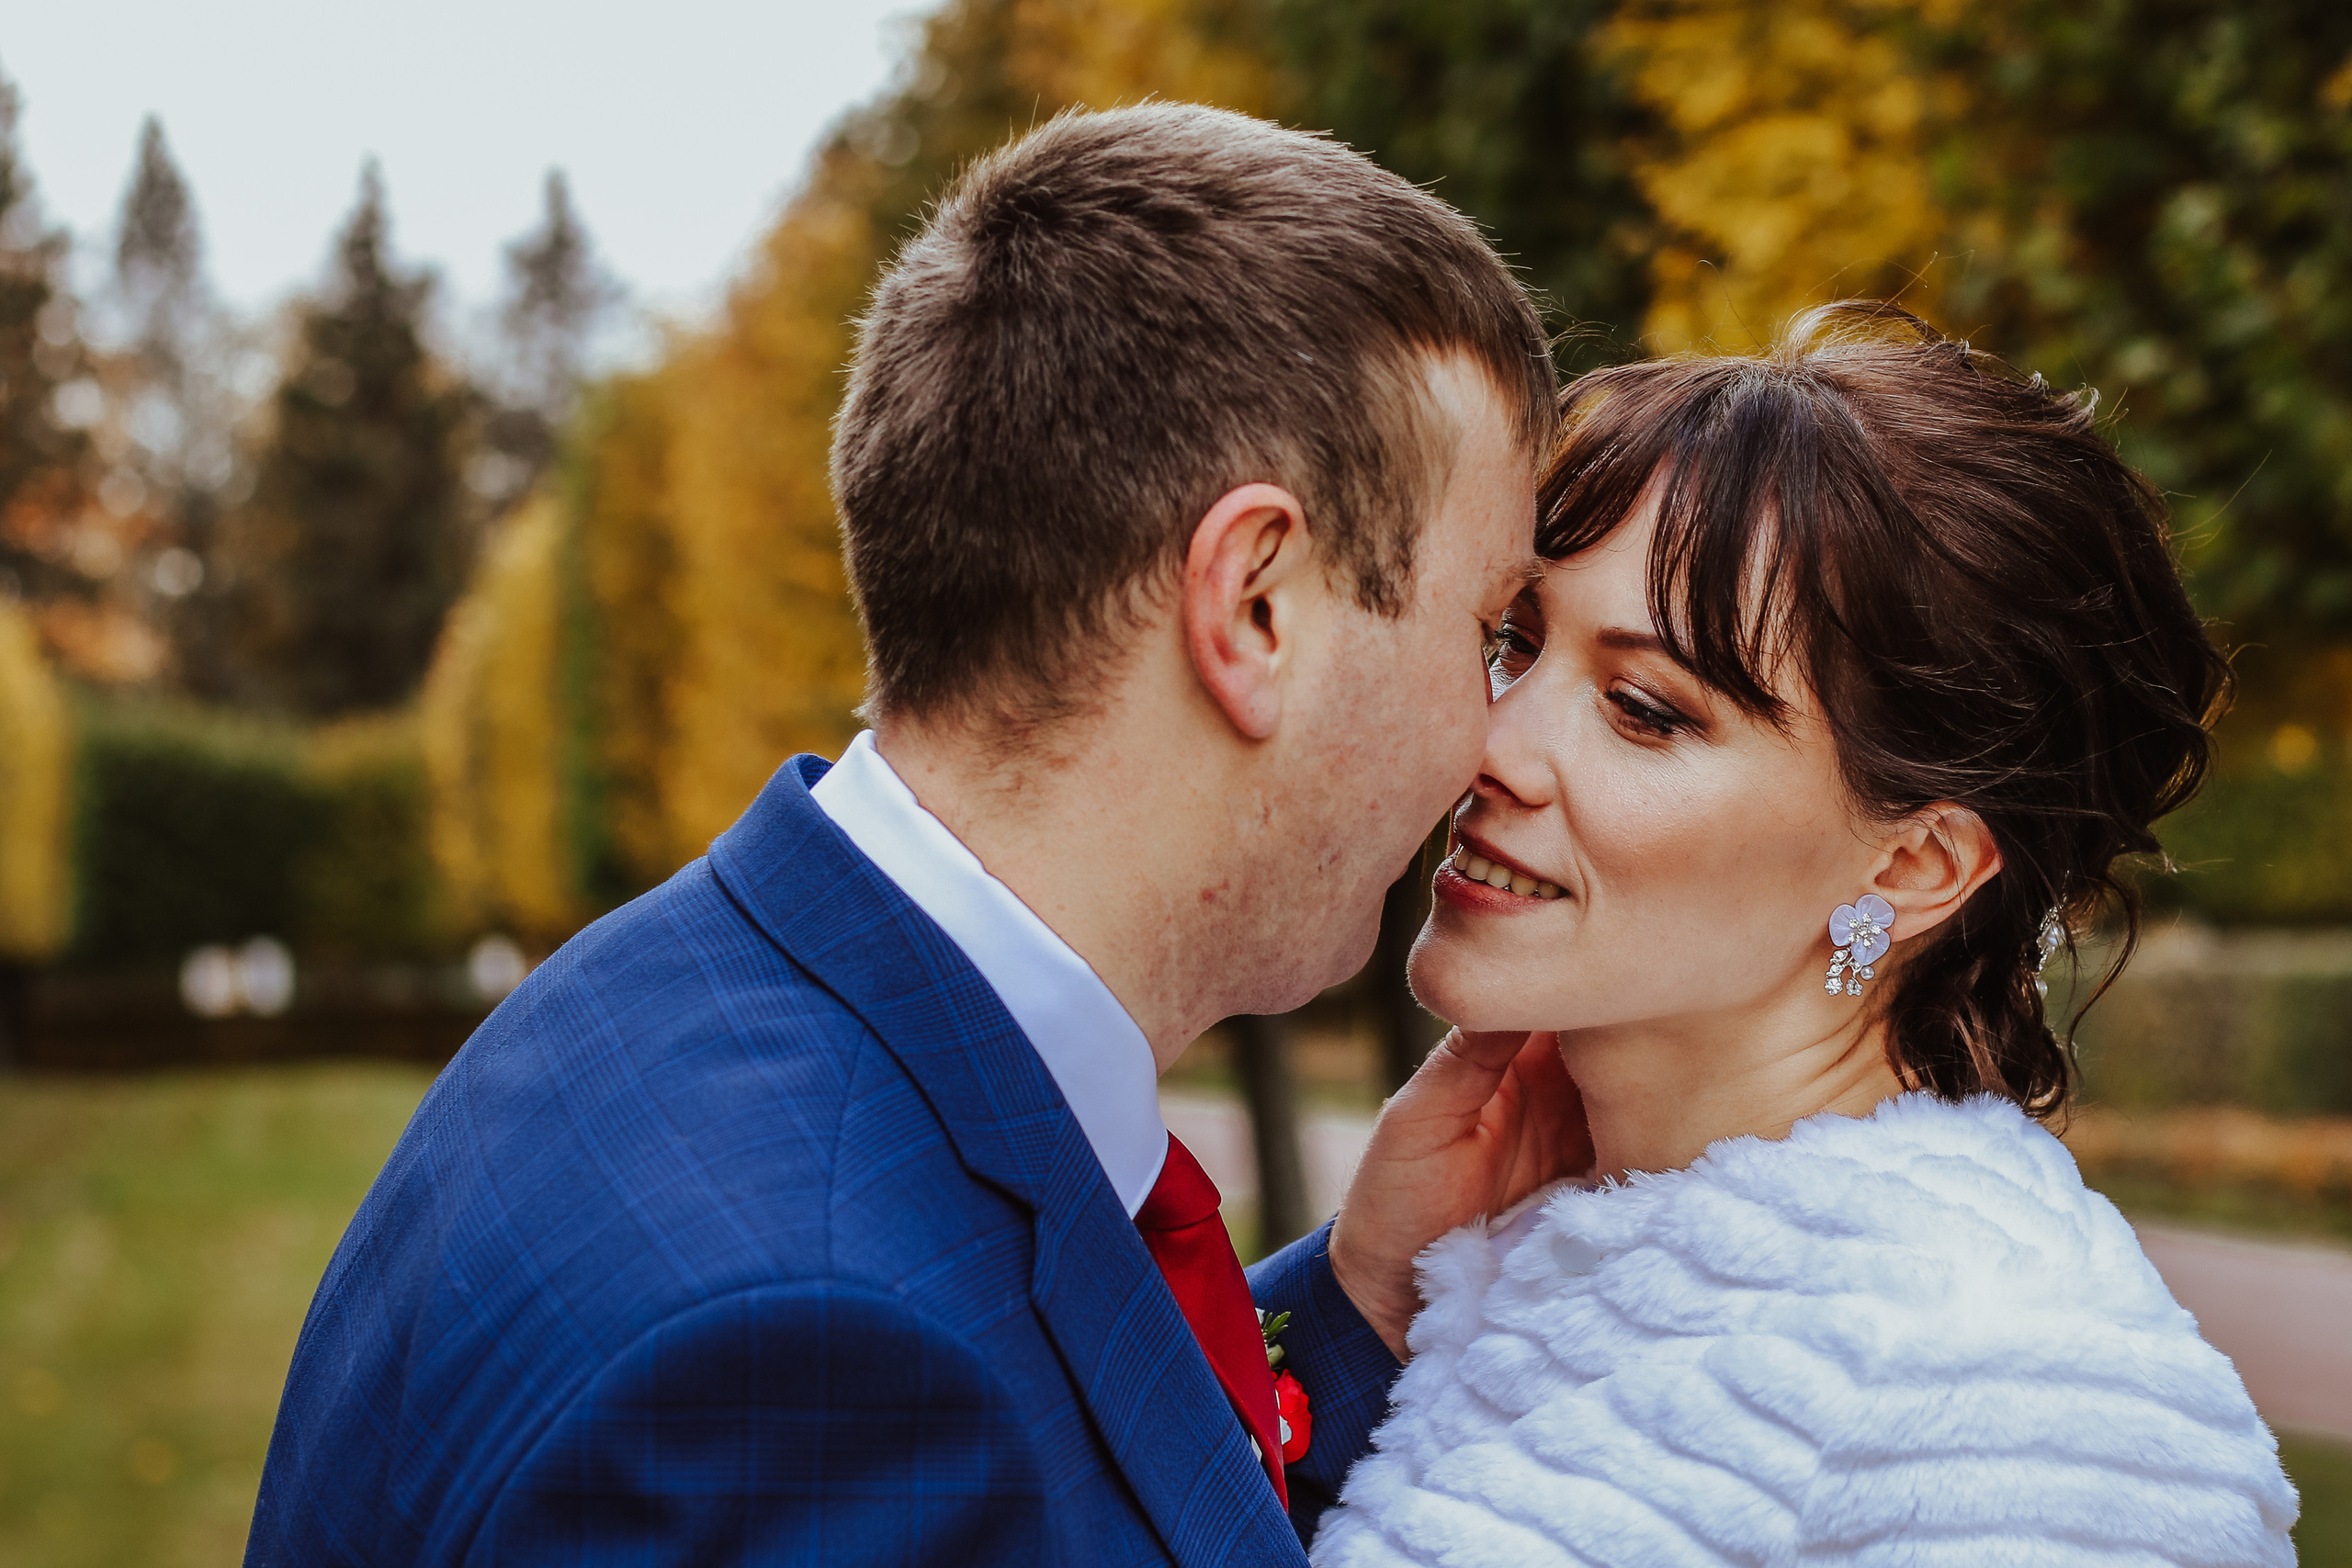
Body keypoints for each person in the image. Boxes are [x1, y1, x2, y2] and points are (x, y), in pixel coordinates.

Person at [244, 104, 1592, 1566]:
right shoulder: (820, 1375)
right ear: (1255, 604)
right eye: (1489, 632)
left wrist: (1355, 1303)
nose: (1498, 738)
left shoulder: (669, 999)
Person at [1311, 303, 2301, 1566]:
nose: (1488, 745)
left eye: (1642, 708)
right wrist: (1361, 1289)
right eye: (1514, 641)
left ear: (1914, 865)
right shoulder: (1505, 1263)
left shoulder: (2012, 1403)